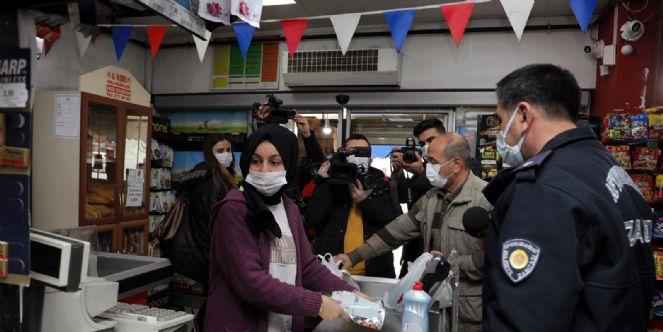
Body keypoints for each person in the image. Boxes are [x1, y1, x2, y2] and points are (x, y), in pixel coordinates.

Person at [482, 64, 655, 331]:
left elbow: (526, 317)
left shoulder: (543, 189)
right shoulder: (607, 167)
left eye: (502, 120)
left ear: (523, 115)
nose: (501, 132)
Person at [206, 124, 368, 332]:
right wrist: (317, 303)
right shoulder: (234, 209)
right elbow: (251, 283)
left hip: (283, 324)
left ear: (289, 164)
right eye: (256, 161)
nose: (264, 170)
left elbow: (307, 267)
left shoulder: (288, 207)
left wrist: (350, 293)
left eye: (275, 162)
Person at [337, 133, 492, 331]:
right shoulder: (431, 198)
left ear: (456, 164)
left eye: (433, 162)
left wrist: (447, 264)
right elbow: (394, 233)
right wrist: (354, 256)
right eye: (427, 161)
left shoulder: (485, 200)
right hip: (429, 305)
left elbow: (491, 259)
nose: (428, 167)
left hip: (466, 313)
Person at [164, 134, 238, 329]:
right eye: (220, 151)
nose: (226, 155)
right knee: (217, 300)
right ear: (210, 154)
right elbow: (214, 224)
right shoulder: (212, 182)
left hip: (202, 253)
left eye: (228, 150)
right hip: (209, 254)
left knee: (215, 299)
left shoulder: (214, 178)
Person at [305, 134, 401, 278]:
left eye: (362, 152)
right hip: (332, 272)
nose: (357, 156)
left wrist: (365, 202)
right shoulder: (330, 182)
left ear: (370, 159)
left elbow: (396, 225)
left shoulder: (383, 184)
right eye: (352, 152)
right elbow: (312, 219)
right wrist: (325, 182)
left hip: (376, 271)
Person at [390, 119, 445, 277]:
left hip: (439, 252)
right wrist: (399, 172)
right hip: (414, 249)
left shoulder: (462, 165)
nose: (427, 145)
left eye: (431, 139)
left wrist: (422, 170)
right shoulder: (421, 171)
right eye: (422, 143)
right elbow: (402, 197)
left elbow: (442, 189)